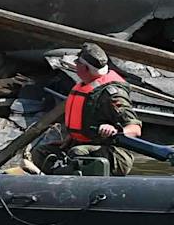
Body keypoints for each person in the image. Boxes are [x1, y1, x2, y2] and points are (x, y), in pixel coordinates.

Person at [39, 45, 143, 175]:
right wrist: (70, 138)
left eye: (78, 63)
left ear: (86, 68)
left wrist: (115, 131)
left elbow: (135, 128)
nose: (75, 65)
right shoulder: (85, 86)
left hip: (113, 153)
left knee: (78, 153)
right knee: (41, 152)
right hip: (82, 144)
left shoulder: (112, 94)